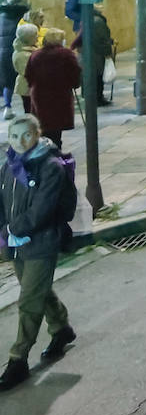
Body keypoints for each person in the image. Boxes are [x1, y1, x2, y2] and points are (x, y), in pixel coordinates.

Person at [0, 114, 77, 391]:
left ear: (37, 134)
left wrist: (11, 228)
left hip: (42, 242)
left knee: (29, 300)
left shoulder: (50, 166)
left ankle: (18, 359)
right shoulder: (8, 165)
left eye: (26, 135)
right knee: (38, 290)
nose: (19, 142)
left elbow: (41, 212)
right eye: (13, 136)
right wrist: (5, 231)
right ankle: (61, 328)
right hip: (16, 244)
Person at [24, 31, 80, 149]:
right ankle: (55, 153)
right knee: (56, 129)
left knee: (43, 125)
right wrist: (74, 84)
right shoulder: (66, 54)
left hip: (39, 95)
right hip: (60, 96)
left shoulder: (36, 54)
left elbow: (28, 75)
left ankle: (43, 151)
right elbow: (75, 75)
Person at [73, 3, 114, 105]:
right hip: (96, 53)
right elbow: (103, 39)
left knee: (89, 76)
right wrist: (108, 53)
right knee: (98, 77)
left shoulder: (85, 20)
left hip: (86, 53)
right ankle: (98, 99)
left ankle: (90, 97)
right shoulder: (98, 21)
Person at [12, 24, 38, 115]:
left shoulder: (29, 49)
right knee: (30, 111)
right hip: (27, 86)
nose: (37, 38)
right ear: (28, 38)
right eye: (35, 35)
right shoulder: (22, 54)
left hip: (31, 85)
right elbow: (27, 72)